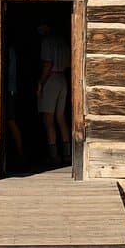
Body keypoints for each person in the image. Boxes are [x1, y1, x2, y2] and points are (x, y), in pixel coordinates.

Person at [36, 20, 71, 165]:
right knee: (61, 117)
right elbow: (69, 63)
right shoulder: (63, 42)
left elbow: (48, 64)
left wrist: (41, 83)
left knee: (48, 120)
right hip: (63, 78)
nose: (39, 28)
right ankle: (68, 154)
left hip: (51, 79)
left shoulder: (47, 41)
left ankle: (54, 155)